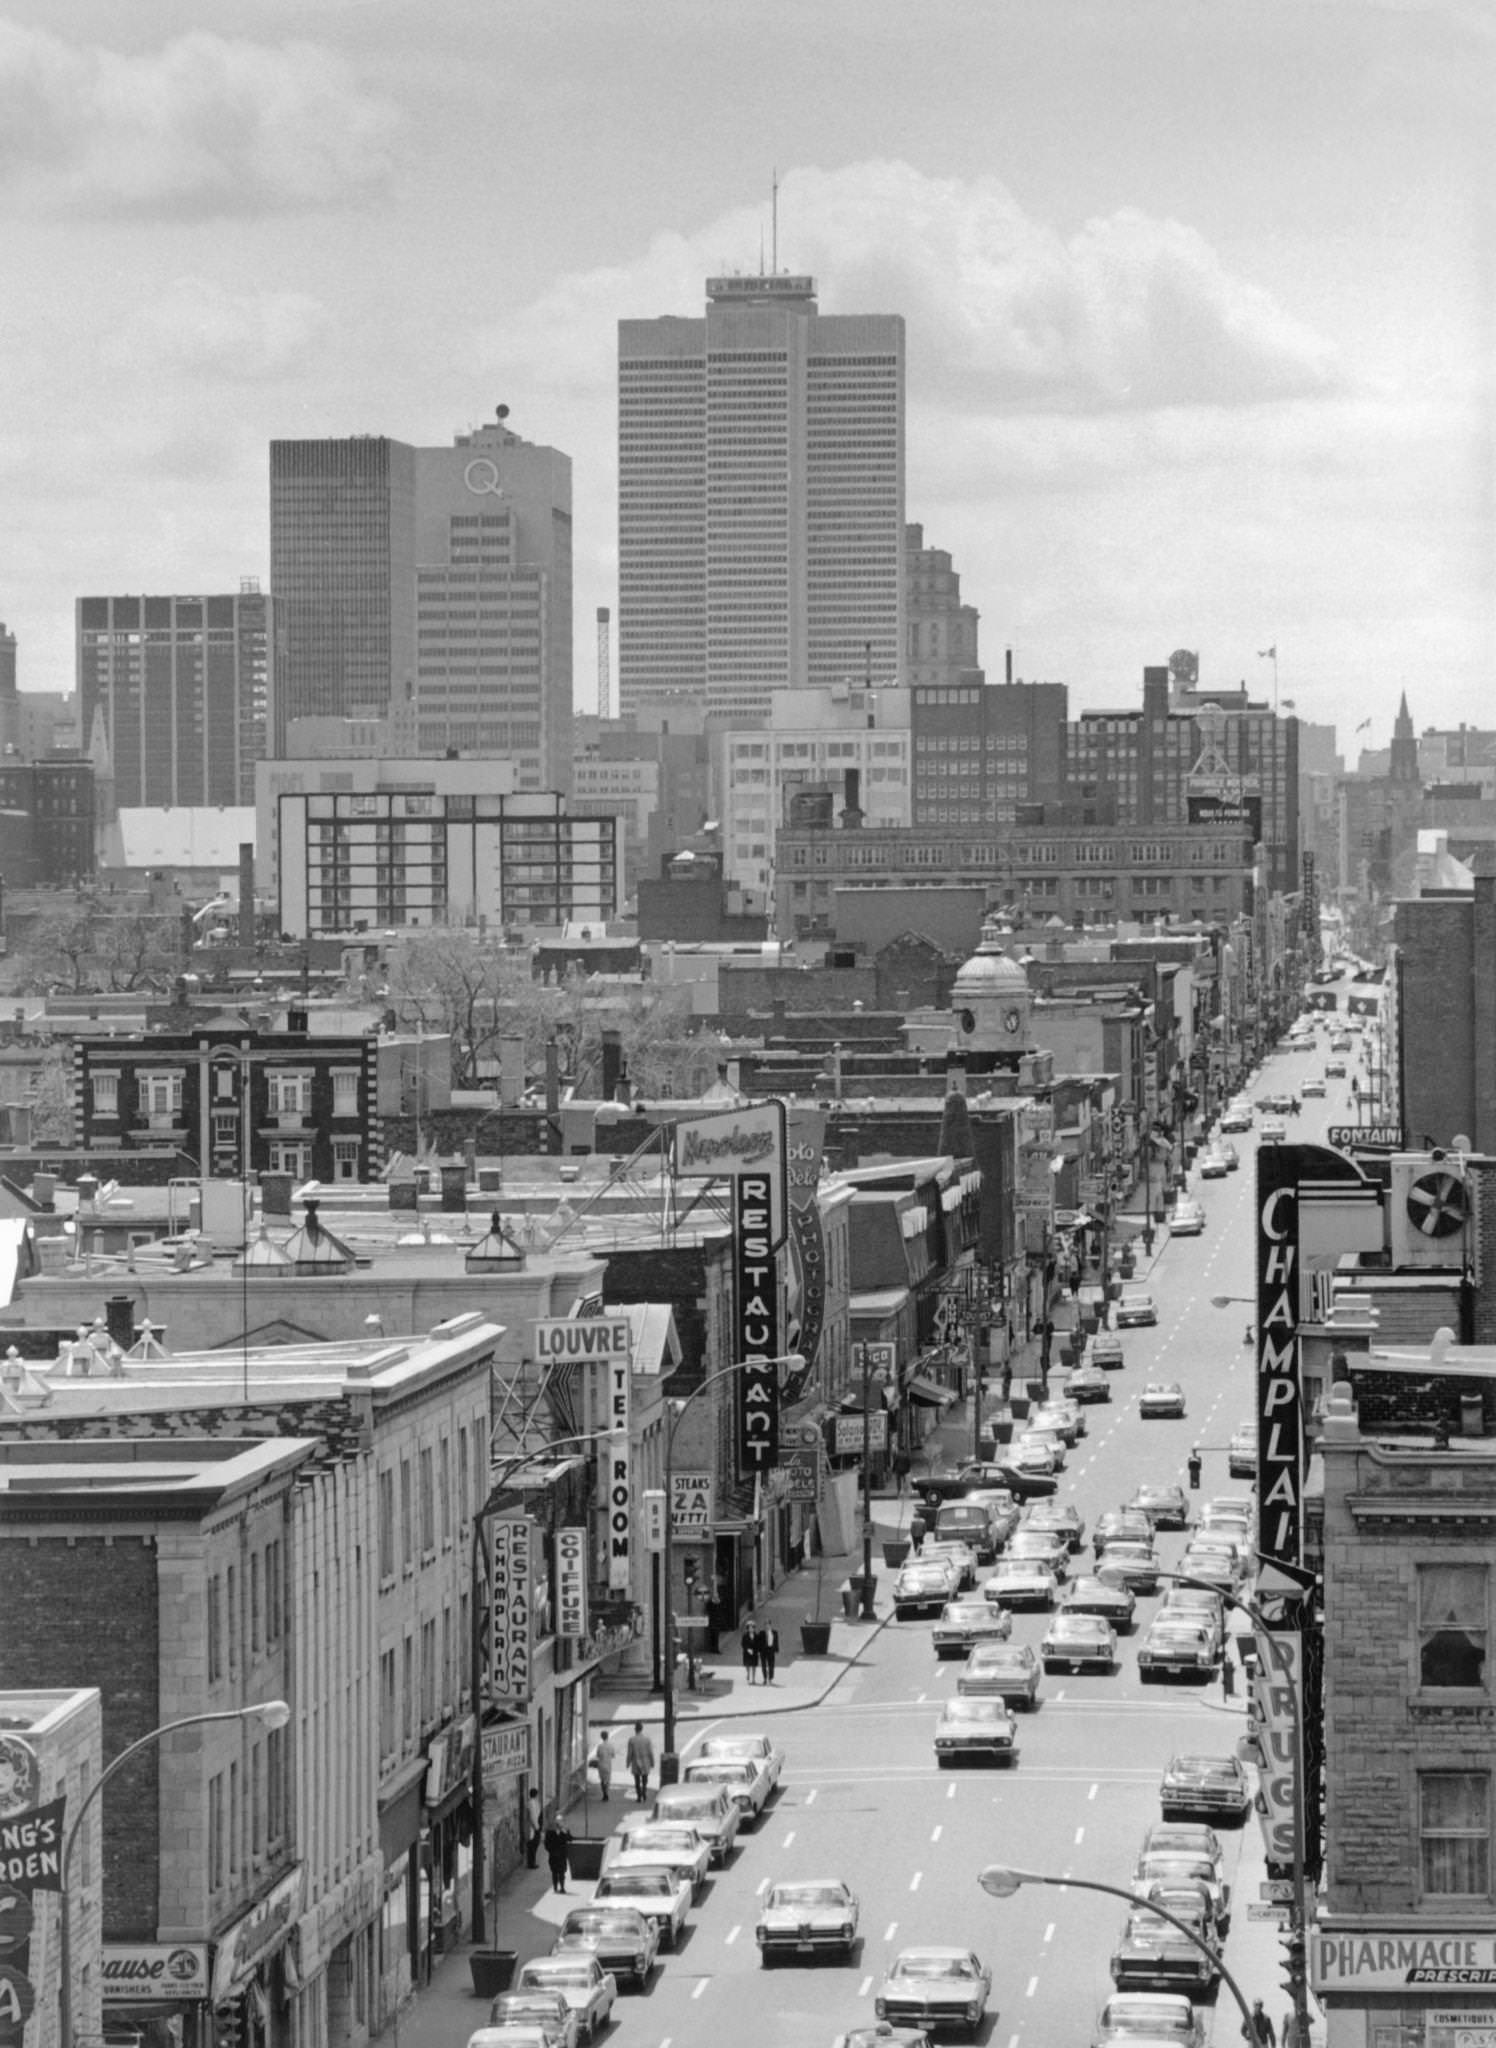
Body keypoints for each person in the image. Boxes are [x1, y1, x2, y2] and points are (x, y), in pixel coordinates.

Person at [625, 1721, 654, 1804]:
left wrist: (628, 1763)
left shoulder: (632, 1740)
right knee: (645, 1779)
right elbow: (650, 1752)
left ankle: (639, 1796)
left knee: (637, 1780)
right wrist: (652, 1762)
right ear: (642, 1728)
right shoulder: (647, 1739)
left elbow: (629, 1753)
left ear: (635, 1729)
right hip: (645, 1762)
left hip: (636, 1762)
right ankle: (644, 1791)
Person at [543, 1814, 572, 1894]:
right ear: (556, 1822)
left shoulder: (565, 1830)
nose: (560, 1823)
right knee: (554, 1872)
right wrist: (551, 1851)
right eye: (558, 1821)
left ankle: (562, 1887)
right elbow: (546, 1843)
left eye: (561, 1821)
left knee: (562, 1872)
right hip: (553, 1855)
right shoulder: (550, 1832)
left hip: (562, 1855)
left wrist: (565, 1833)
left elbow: (570, 1839)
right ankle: (555, 1888)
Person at [592, 1729, 614, 1801]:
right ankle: (607, 1793)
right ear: (607, 1736)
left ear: (601, 1737)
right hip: (608, 1764)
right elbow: (613, 1755)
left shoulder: (600, 1746)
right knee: (607, 1780)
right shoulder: (610, 1746)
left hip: (601, 1764)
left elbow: (598, 1755)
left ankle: (604, 1794)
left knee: (602, 1780)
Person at [525, 1787, 543, 1868]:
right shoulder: (532, 1803)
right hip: (534, 1827)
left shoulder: (534, 1802)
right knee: (533, 1846)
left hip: (535, 1826)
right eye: (537, 1794)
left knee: (533, 1846)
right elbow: (533, 1816)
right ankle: (531, 1864)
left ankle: (532, 1862)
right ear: (536, 1794)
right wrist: (537, 1828)